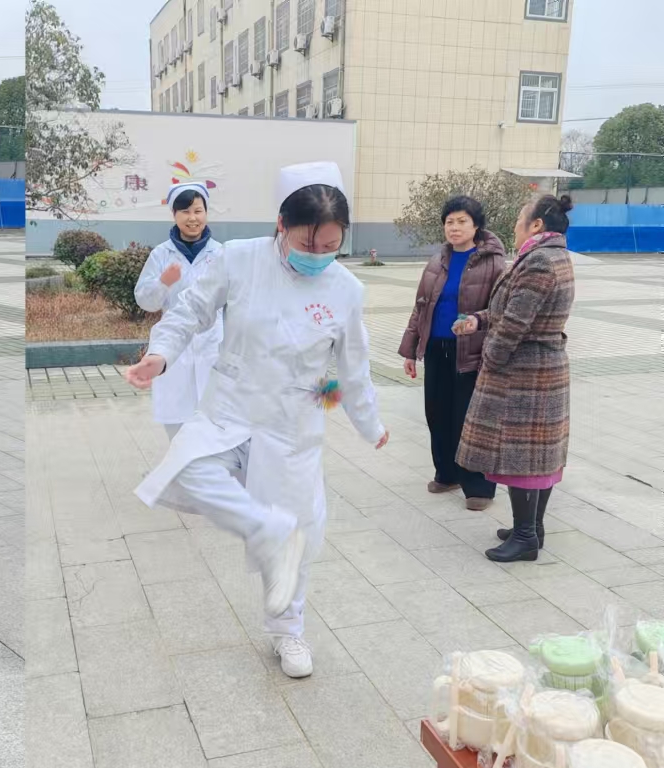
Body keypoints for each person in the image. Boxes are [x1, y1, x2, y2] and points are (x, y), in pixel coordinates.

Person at [125, 162, 387, 681]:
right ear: (280, 225)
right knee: (186, 471)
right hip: (231, 407)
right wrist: (160, 355)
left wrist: (371, 424)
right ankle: (265, 530)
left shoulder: (346, 289)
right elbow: (188, 312)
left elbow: (354, 368)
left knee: (299, 535)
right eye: (307, 243)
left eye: (330, 245)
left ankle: (288, 629)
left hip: (292, 423)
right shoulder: (238, 259)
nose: (318, 255)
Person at [453, 193, 576, 563]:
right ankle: (532, 528)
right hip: (540, 369)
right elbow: (511, 309)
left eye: (521, 217)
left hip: (525, 375)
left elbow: (515, 323)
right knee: (540, 456)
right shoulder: (552, 255)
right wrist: (478, 320)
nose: (516, 224)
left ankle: (525, 537)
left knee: (520, 456)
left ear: (536, 224)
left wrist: (491, 356)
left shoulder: (539, 261)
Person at [398, 195, 506, 511]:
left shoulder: (493, 263)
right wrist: (410, 351)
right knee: (437, 414)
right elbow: (421, 307)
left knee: (470, 419)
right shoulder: (437, 261)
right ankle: (446, 474)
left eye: (461, 221)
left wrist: (478, 324)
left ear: (476, 226)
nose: (454, 227)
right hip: (437, 348)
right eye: (449, 222)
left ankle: (479, 487)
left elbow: (500, 309)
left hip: (472, 354)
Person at [132, 183, 224, 438]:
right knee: (179, 430)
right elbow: (145, 302)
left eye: (198, 211)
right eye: (185, 211)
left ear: (206, 213)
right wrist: (163, 282)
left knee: (215, 425)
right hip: (173, 346)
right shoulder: (161, 254)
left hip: (213, 342)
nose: (192, 218)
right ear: (174, 214)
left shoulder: (221, 253)